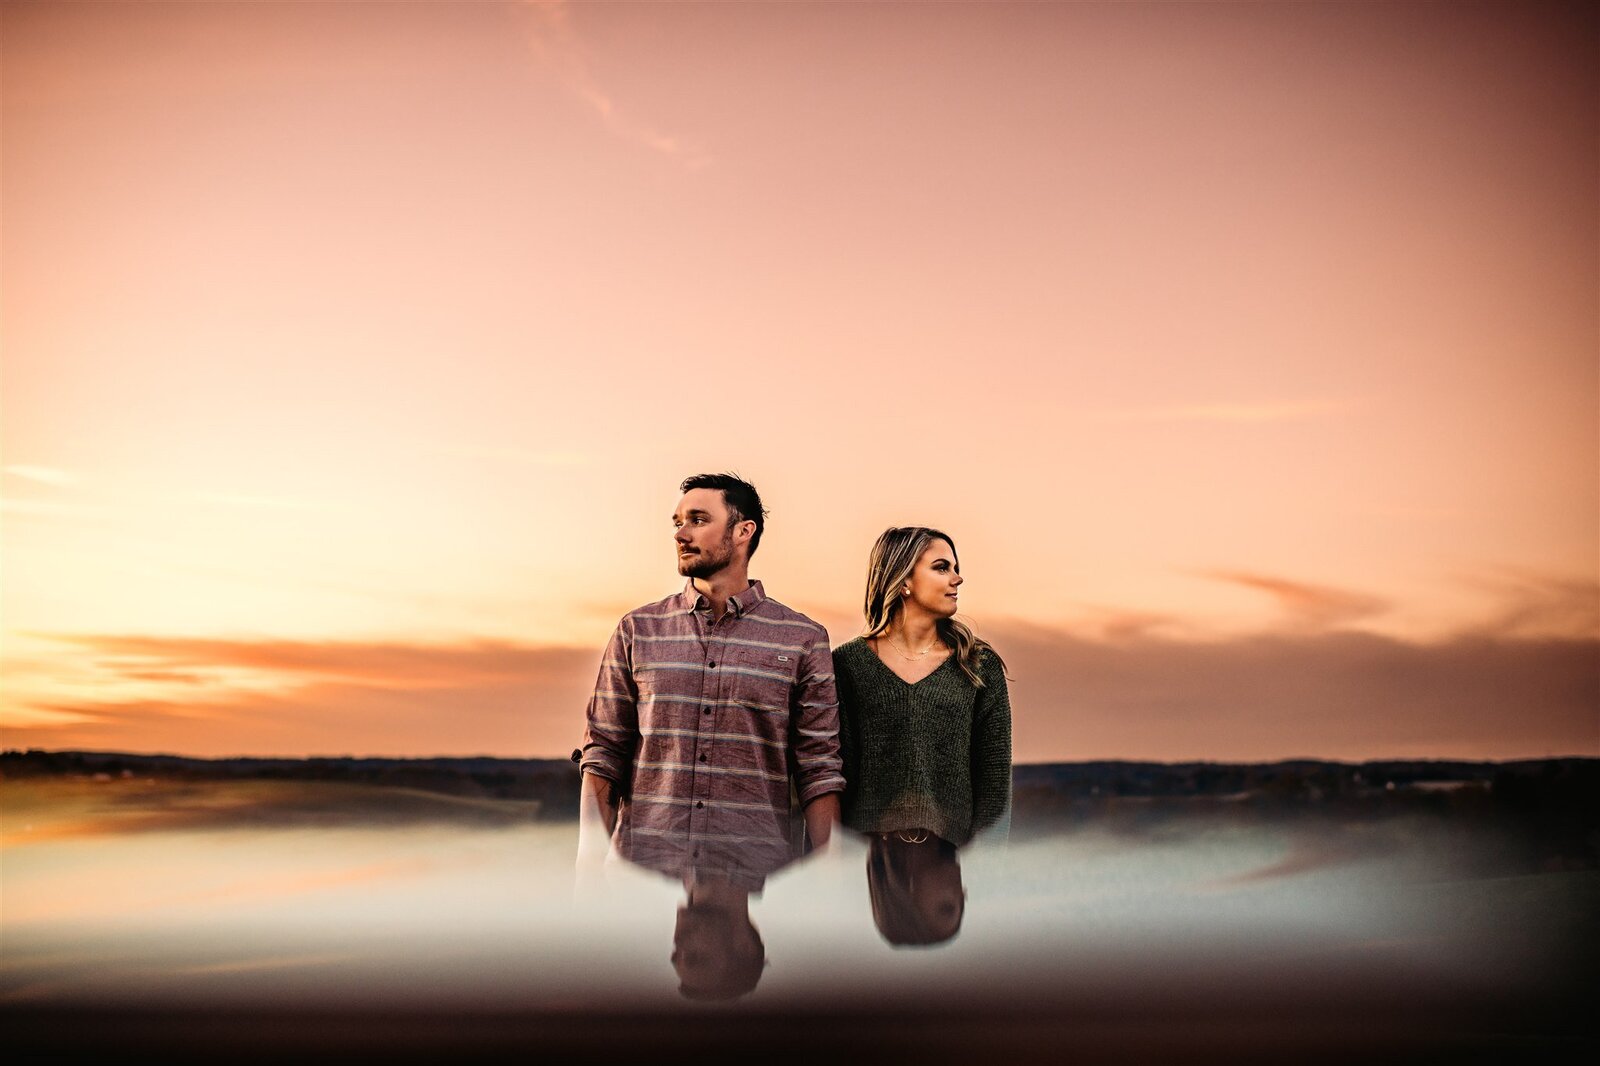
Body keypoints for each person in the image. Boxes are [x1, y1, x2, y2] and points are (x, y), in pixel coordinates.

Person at [576, 473, 844, 893]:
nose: (680, 534)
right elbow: (605, 752)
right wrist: (587, 867)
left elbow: (819, 768)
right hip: (642, 885)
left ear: (743, 531)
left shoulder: (804, 639)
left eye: (698, 519)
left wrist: (829, 875)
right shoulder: (638, 630)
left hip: (756, 888)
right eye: (677, 522)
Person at [832, 526, 1012, 945]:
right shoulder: (846, 666)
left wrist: (991, 870)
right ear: (904, 580)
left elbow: (994, 781)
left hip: (949, 853)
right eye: (942, 567)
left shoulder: (978, 666)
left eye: (956, 568)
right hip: (870, 866)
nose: (957, 578)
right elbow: (833, 772)